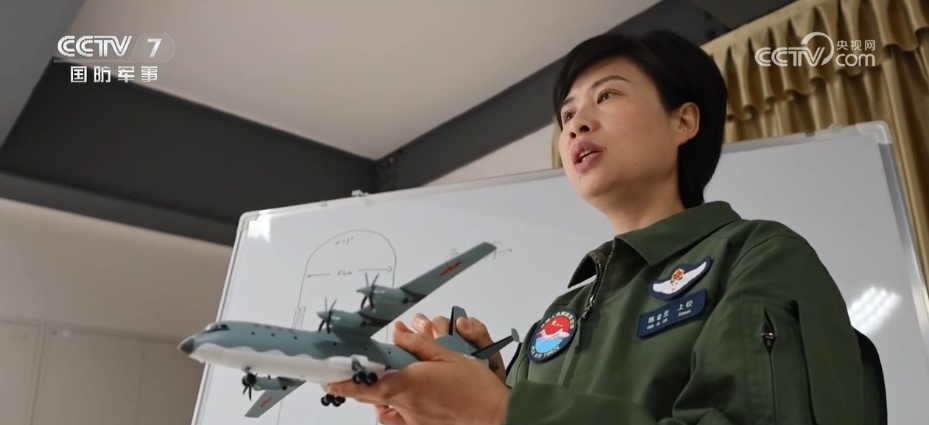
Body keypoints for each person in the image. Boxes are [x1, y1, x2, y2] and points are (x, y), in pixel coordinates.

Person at [327, 30, 886, 425]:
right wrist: (462, 406)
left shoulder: (757, 257)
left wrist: (496, 409)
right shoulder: (560, 315)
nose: (576, 126)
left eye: (607, 95)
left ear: (683, 121)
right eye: (567, 115)